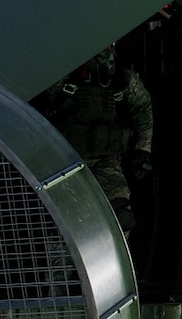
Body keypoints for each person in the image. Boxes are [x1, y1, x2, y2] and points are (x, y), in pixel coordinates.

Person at [35, 46, 153, 231]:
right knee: (67, 222)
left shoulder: (121, 79)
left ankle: (112, 258)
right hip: (65, 162)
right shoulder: (61, 72)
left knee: (120, 217)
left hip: (107, 162)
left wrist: (143, 149)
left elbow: (143, 108)